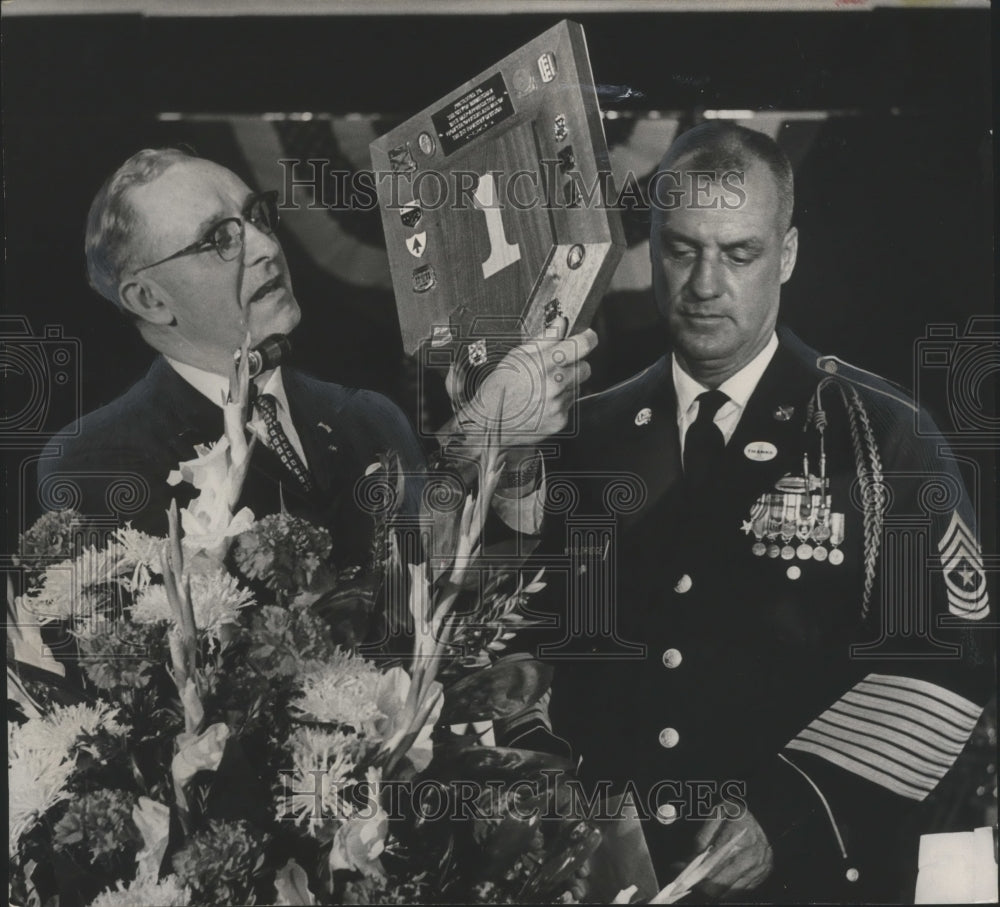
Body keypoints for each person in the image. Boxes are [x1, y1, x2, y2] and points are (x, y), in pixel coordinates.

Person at [541, 122, 994, 902]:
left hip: (807, 878)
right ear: (652, 246)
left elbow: (943, 664)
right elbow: (528, 652)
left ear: (785, 255)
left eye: (739, 253)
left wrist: (782, 814)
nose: (705, 284)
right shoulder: (587, 434)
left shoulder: (883, 436)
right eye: (682, 250)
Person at [38, 148, 594, 570]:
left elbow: (455, 581)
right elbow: (260, 659)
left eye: (256, 216)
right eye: (219, 238)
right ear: (150, 300)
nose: (264, 247)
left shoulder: (368, 416)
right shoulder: (95, 462)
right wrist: (478, 435)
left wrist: (512, 452)